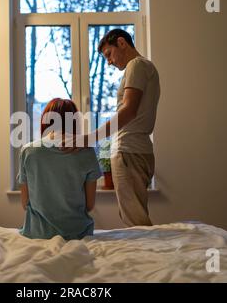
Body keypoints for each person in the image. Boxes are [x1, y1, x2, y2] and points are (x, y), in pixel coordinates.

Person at [63, 29, 160, 226]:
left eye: (109, 54)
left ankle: (147, 255)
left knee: (135, 221)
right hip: (137, 149)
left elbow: (128, 111)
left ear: (122, 43)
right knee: (134, 216)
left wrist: (89, 138)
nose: (109, 62)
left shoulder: (137, 65)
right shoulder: (145, 67)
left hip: (129, 150)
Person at [17, 98, 102, 240]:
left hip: (37, 234)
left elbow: (25, 203)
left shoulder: (28, 151)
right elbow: (89, 205)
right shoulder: (86, 151)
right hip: (78, 235)